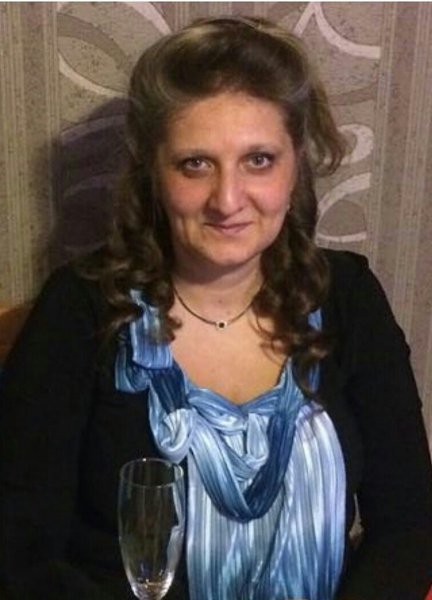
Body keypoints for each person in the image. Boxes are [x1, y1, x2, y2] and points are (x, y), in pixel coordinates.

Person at [1, 15, 431, 600]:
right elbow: (22, 554)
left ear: (295, 167)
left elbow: (409, 525)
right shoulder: (80, 309)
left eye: (259, 160)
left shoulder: (348, 297)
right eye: (195, 164)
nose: (227, 200)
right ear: (154, 173)